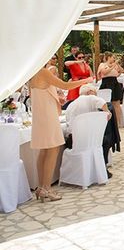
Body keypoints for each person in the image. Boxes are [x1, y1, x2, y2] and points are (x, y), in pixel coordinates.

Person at [29, 66, 93, 202]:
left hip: (40, 116)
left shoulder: (32, 73)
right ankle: (46, 188)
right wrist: (85, 80)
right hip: (48, 116)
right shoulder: (43, 72)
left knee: (44, 150)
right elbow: (65, 85)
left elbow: (42, 93)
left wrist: (56, 99)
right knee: (53, 149)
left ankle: (41, 187)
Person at [97, 52, 124, 124]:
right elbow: (104, 72)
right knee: (106, 103)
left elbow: (121, 71)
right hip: (106, 83)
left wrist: (117, 64)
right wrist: (113, 65)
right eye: (113, 57)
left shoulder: (115, 65)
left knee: (116, 103)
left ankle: (117, 123)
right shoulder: (103, 64)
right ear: (108, 57)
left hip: (115, 82)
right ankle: (106, 122)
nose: (114, 59)